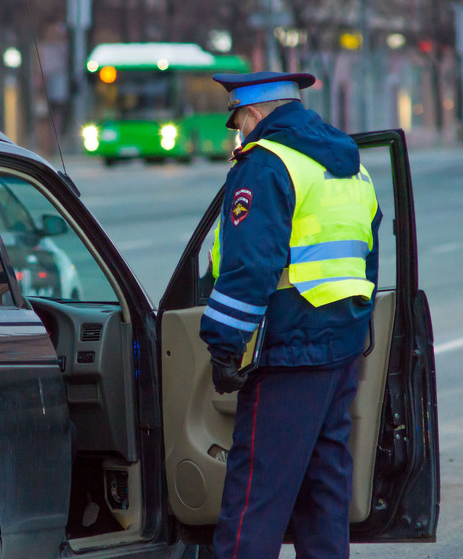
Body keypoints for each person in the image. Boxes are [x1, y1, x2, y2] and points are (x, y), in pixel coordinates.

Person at [199, 71, 382, 558]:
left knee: (255, 499)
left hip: (290, 350)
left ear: (254, 115)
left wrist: (224, 346)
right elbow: (368, 254)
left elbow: (249, 266)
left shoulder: (266, 163)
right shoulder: (347, 162)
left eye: (239, 124)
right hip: (341, 349)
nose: (239, 134)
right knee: (324, 494)